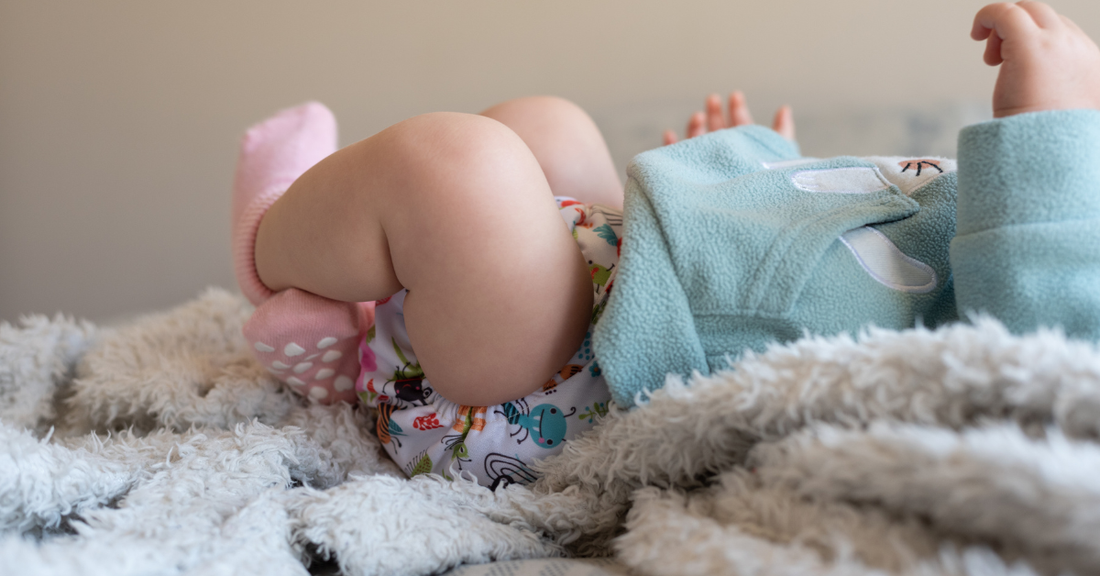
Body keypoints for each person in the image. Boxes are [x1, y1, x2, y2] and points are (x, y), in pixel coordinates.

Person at [230, 2, 1100, 487]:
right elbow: (862, 267)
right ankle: (353, 334)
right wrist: (750, 172)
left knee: (454, 165)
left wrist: (1055, 132)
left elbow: (1041, 342)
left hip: (563, 392)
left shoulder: (1062, 247)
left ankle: (273, 243)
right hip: (626, 294)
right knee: (548, 125)